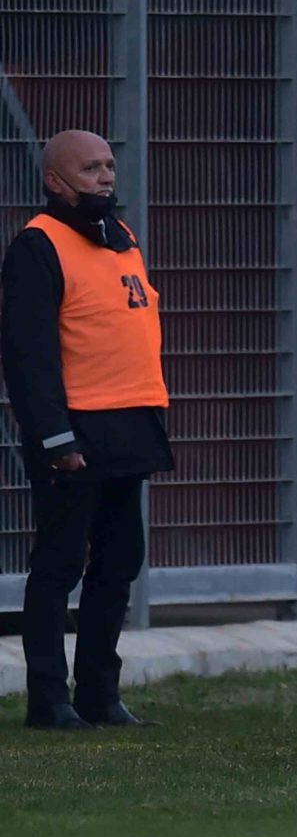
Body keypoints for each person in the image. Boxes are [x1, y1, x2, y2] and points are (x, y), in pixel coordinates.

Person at [1, 130, 173, 730]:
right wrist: (54, 436)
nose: (105, 177)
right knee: (59, 564)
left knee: (120, 561)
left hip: (129, 422)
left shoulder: (120, 237)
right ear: (55, 181)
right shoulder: (38, 244)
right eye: (90, 169)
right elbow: (28, 354)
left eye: (109, 166)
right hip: (74, 429)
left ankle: (101, 692)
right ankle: (49, 699)